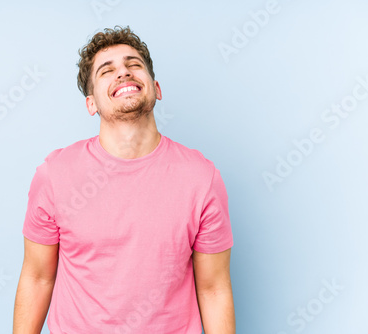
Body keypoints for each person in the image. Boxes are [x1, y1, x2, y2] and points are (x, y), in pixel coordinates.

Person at [13, 25, 235, 334]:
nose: (123, 73)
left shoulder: (202, 178)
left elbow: (213, 288)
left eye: (134, 65)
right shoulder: (55, 175)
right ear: (91, 103)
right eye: (107, 70)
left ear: (155, 88)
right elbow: (38, 277)